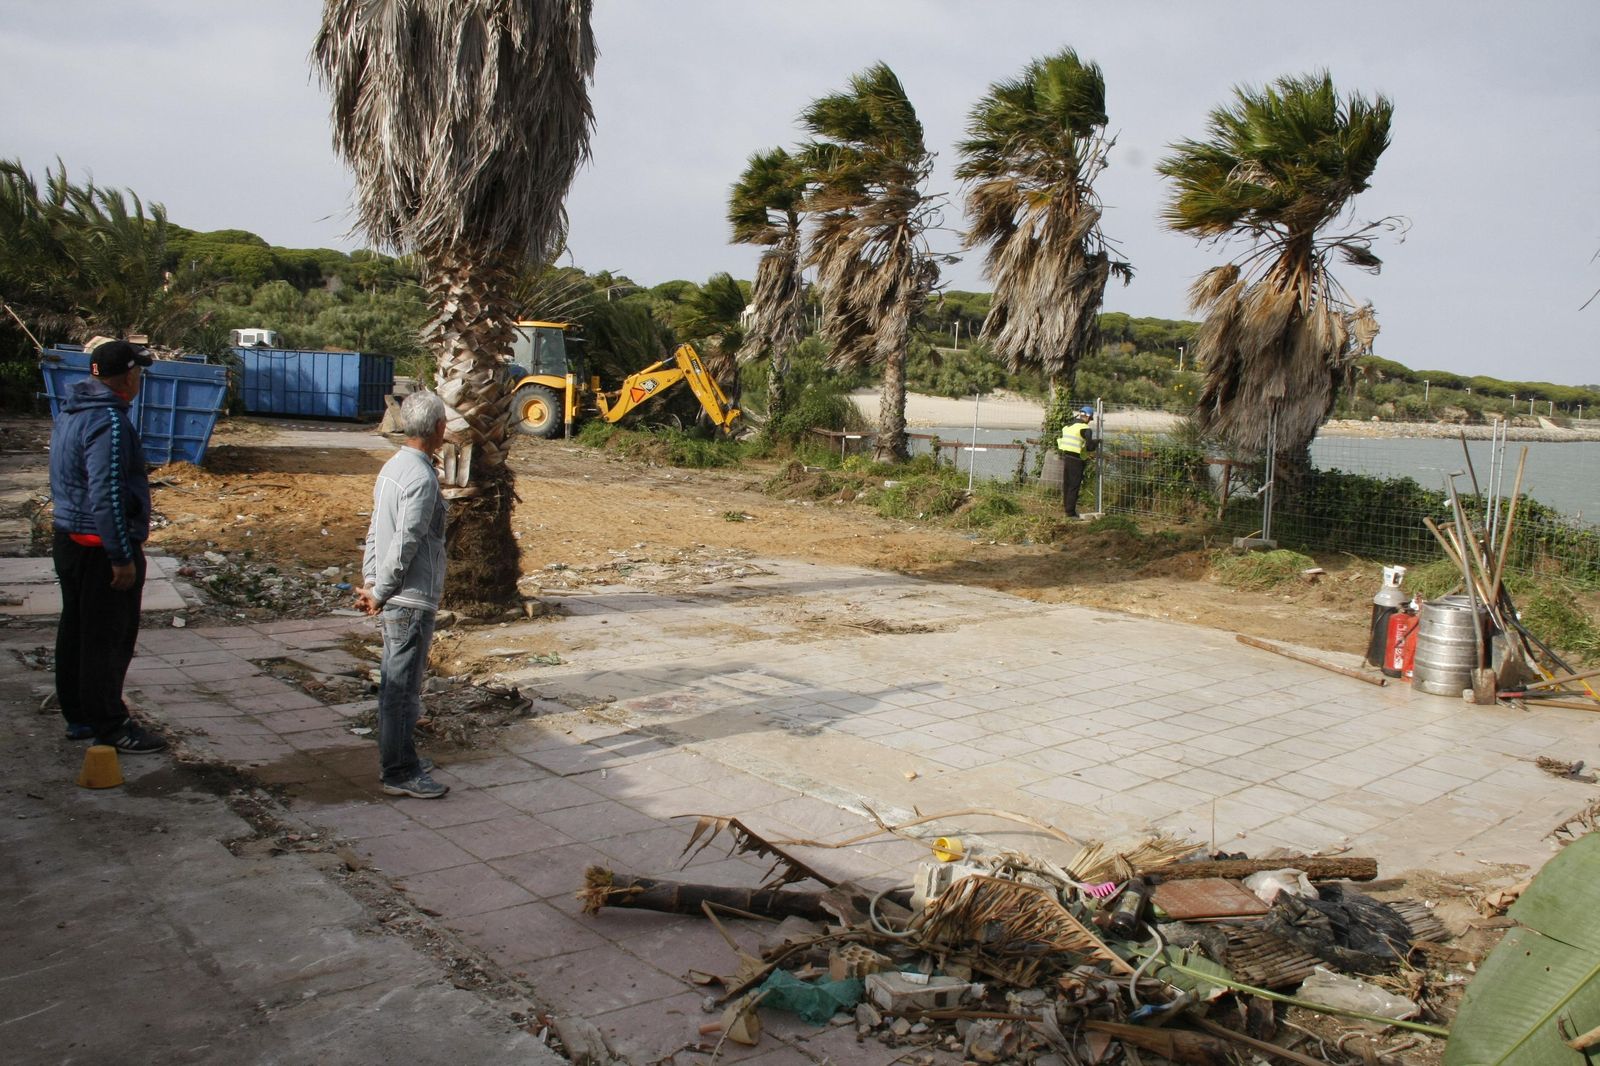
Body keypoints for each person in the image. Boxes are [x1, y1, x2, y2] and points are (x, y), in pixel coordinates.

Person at [49, 340, 168, 752]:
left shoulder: (71, 411)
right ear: (129, 377)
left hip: (69, 538)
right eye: (139, 372)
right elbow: (108, 491)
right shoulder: (109, 422)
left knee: (77, 630)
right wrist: (120, 555)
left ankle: (80, 715)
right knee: (107, 638)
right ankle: (111, 725)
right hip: (99, 546)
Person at [356, 390, 450, 799]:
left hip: (393, 592)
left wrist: (372, 581)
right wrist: (380, 589)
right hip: (409, 598)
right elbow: (406, 540)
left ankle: (401, 757)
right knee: (401, 688)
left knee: (398, 685)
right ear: (439, 428)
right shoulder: (422, 478)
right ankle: (398, 771)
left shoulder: (393, 467)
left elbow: (377, 529)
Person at [1056, 406, 1098, 519]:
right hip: (1077, 460)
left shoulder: (1067, 426)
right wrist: (1097, 442)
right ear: (1088, 417)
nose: (1089, 421)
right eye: (1090, 419)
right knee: (1074, 486)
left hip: (1066, 457)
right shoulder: (1085, 429)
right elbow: (1089, 447)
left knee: (1067, 484)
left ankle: (1067, 509)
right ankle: (1071, 513)